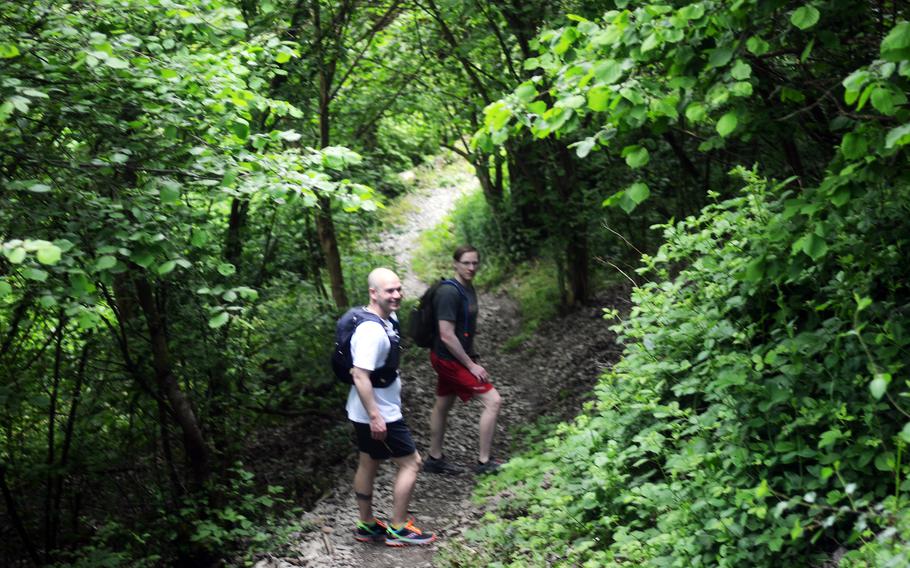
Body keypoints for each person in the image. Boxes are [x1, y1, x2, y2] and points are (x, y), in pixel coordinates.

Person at [346, 267, 436, 547]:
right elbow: (359, 374)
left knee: (368, 460)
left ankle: (367, 525)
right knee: (411, 462)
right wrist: (376, 416)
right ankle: (398, 528)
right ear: (373, 293)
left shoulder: (386, 318)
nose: (397, 295)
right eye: (390, 291)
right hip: (378, 413)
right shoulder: (371, 331)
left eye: (399, 289)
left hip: (364, 411)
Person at [424, 245, 503, 475]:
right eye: (466, 263)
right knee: (493, 401)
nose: (471, 267)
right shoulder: (449, 293)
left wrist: (471, 354)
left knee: (443, 404)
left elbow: (463, 329)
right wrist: (470, 364)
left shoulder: (468, 288)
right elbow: (446, 334)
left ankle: (434, 458)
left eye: (475, 263)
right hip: (449, 359)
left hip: (450, 357)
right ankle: (484, 462)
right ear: (455, 264)